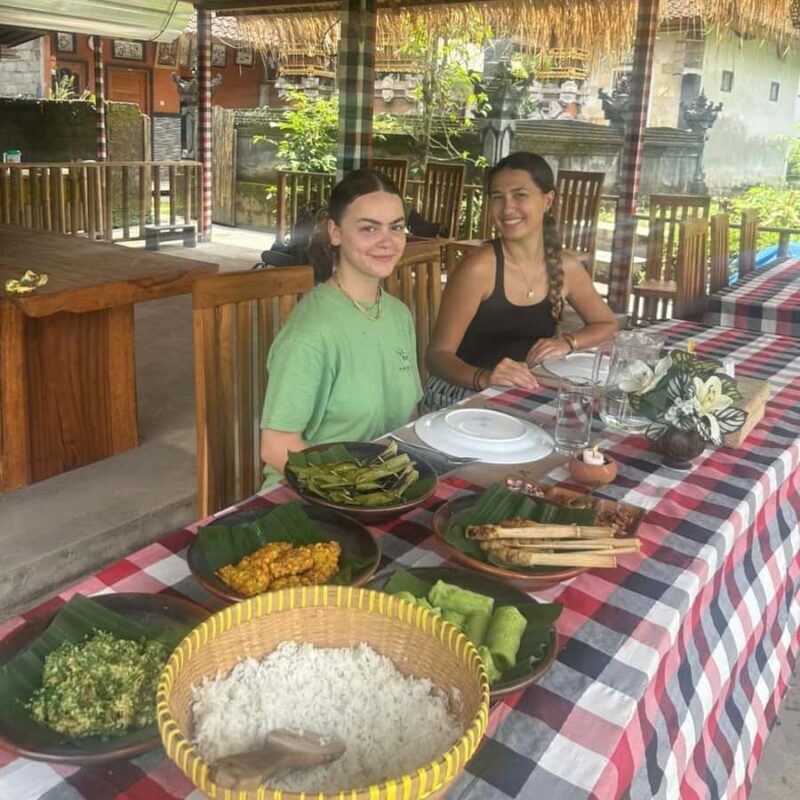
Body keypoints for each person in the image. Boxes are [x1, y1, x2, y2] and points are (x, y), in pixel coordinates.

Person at [422, 151, 618, 412]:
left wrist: (567, 342)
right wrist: (485, 378)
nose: (507, 209)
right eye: (497, 198)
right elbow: (437, 357)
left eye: (520, 195)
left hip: (521, 393)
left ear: (548, 200)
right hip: (462, 396)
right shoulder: (479, 268)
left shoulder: (565, 267)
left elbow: (607, 324)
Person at [260, 169, 421, 484]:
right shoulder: (310, 333)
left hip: (383, 487)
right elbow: (276, 448)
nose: (387, 242)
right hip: (313, 494)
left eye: (396, 227)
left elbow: (408, 419)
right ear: (335, 232)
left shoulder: (398, 315)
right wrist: (356, 492)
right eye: (368, 229)